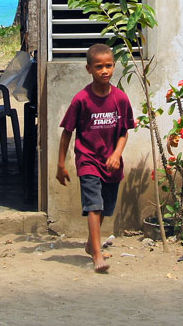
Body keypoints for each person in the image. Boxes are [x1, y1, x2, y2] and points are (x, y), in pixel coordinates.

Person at [57, 43, 134, 273]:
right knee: (94, 205)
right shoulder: (81, 99)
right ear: (89, 69)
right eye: (99, 66)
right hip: (87, 159)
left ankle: (91, 244)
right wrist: (61, 164)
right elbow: (67, 132)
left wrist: (117, 154)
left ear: (114, 66)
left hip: (110, 162)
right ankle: (97, 254)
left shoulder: (120, 99)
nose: (105, 71)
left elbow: (124, 131)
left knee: (105, 207)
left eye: (109, 66)